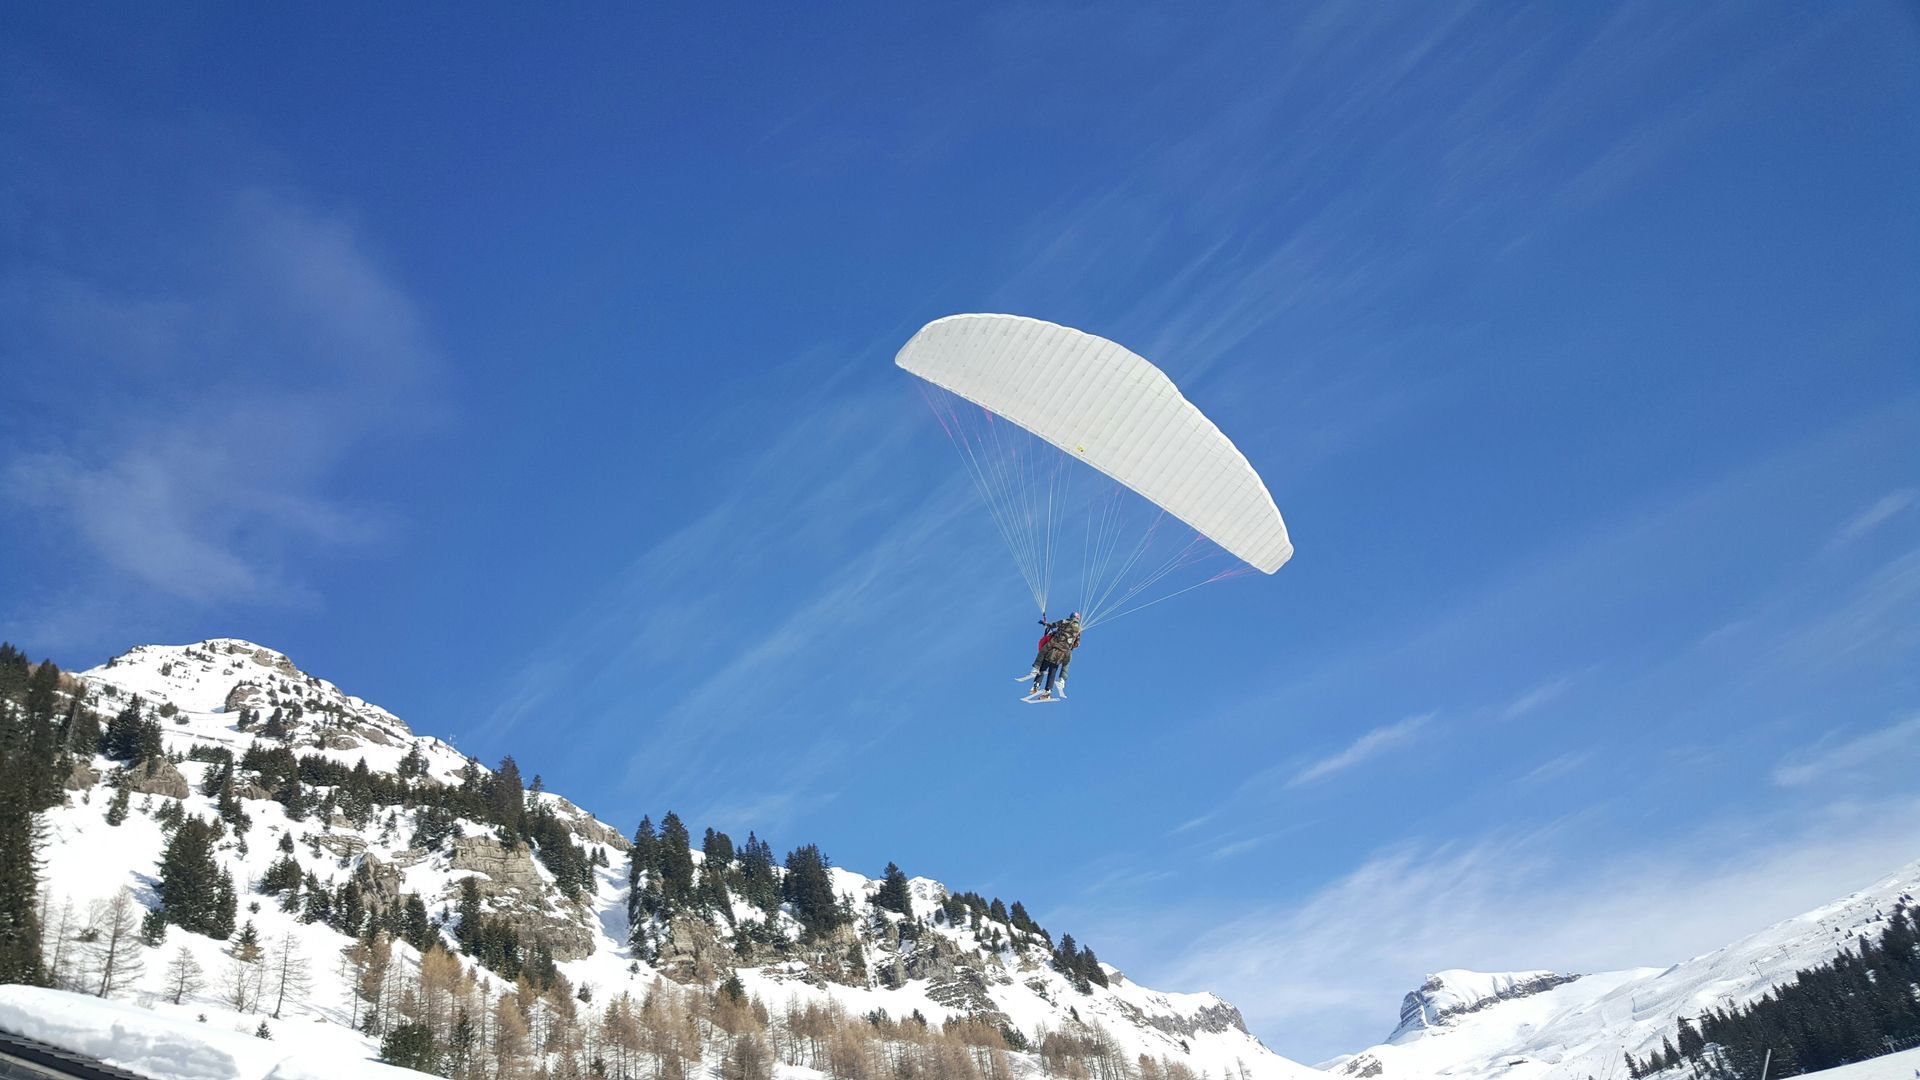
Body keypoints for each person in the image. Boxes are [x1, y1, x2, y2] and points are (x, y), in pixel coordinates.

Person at [1027, 613, 1082, 700]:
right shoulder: (1079, 629)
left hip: (1054, 647)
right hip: (1063, 653)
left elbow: (1053, 625)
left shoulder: (1065, 621)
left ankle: (1036, 680)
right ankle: (1049, 691)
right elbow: (1077, 644)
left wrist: (1045, 624)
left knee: (1042, 657)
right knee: (1053, 672)